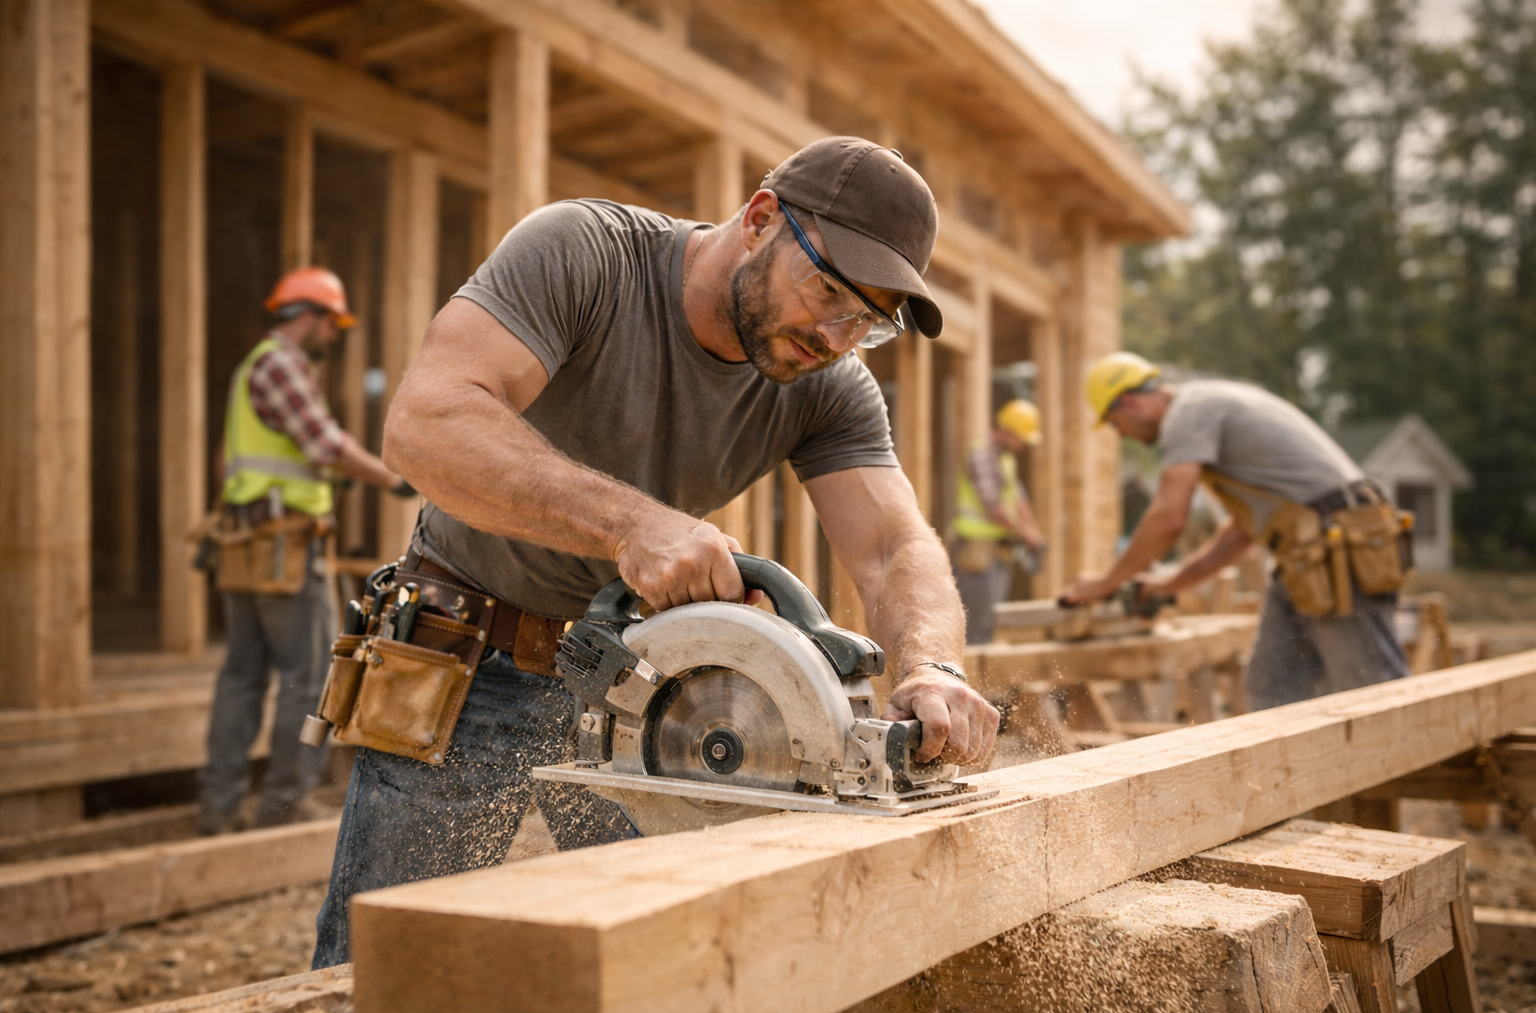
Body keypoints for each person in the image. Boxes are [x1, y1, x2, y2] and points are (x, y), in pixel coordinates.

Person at [311, 137, 1001, 966]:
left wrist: (933, 667)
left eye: (868, 321)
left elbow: (894, 547)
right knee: (384, 976)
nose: (835, 334)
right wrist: (632, 524)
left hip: (642, 693)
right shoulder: (584, 255)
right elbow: (425, 424)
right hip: (466, 654)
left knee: (669, 969)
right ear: (759, 219)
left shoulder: (830, 384)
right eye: (827, 291)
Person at [1058, 352, 1408, 710]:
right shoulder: (1208, 406)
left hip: (1336, 543)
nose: (1121, 434)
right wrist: (1170, 583)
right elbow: (1241, 532)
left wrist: (1106, 583)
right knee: (1271, 688)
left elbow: (1168, 516)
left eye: (1115, 423)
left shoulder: (1188, 413)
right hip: (1305, 552)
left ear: (1129, 401)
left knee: (1372, 688)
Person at [197, 268, 413, 834]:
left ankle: (218, 807)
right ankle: (284, 804)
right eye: (333, 324)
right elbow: (324, 444)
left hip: (247, 544)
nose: (335, 336)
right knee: (308, 673)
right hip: (286, 548)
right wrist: (391, 478)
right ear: (311, 317)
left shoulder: (252, 368)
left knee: (241, 674)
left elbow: (226, 460)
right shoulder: (283, 364)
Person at [951, 399, 1048, 643]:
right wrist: (1028, 535)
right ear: (1006, 430)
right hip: (975, 550)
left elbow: (1018, 498)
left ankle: (982, 674)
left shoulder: (1006, 458)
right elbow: (993, 507)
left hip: (996, 549)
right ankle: (967, 675)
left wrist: (1031, 530)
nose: (1023, 444)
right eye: (1021, 437)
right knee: (973, 622)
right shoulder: (980, 455)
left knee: (989, 620)